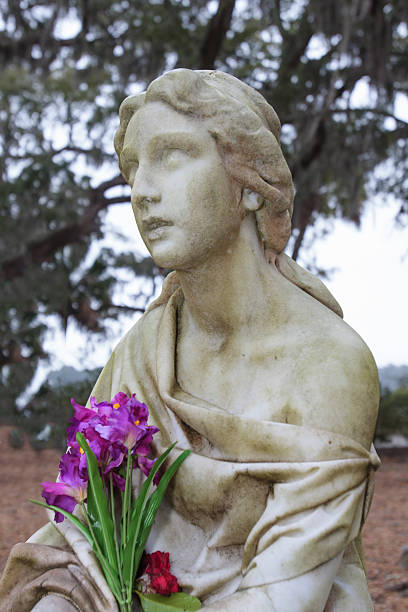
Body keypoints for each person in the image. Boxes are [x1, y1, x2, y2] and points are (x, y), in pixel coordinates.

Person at [0, 69, 379, 611]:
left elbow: (285, 590)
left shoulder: (329, 364)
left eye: (171, 156)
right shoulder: (144, 350)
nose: (142, 191)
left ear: (250, 185)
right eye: (133, 168)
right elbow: (84, 526)